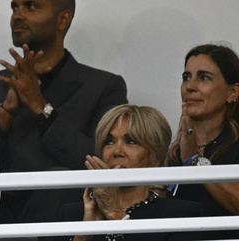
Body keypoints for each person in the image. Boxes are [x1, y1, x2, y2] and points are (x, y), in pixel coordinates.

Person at [0, 0, 128, 226]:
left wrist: (41, 108)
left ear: (63, 19)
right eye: (14, 7)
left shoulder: (103, 88)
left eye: (30, 6)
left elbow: (102, 164)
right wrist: (5, 114)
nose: (17, 15)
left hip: (66, 225)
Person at [62, 104, 201, 241]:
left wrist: (115, 214)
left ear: (156, 157)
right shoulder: (73, 214)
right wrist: (83, 236)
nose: (117, 151)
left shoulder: (180, 216)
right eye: (109, 142)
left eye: (131, 141)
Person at [166, 43, 239, 238]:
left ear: (233, 93)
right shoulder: (174, 151)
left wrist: (194, 161)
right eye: (186, 77)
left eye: (204, 78)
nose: (190, 86)